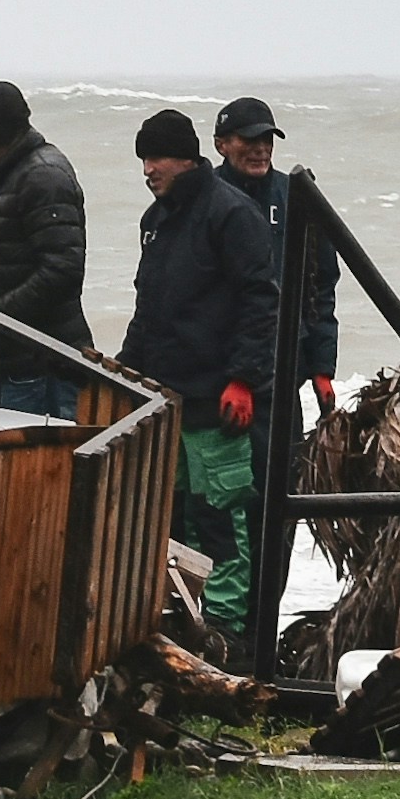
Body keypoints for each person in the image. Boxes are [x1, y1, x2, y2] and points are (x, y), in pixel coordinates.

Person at [115, 106, 283, 627]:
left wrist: (242, 379)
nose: (148, 169)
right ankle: (180, 626)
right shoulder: (156, 220)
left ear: (187, 159)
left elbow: (262, 300)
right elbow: (148, 308)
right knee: (171, 527)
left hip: (218, 405)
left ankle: (225, 638)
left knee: (221, 527)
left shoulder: (232, 215)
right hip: (168, 402)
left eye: (157, 158)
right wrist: (125, 374)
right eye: (143, 159)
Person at [0, 79, 89, 414]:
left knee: (38, 464)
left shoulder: (43, 177)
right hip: (18, 363)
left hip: (40, 367)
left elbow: (63, 269)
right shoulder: (12, 174)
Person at [209, 96, 339, 408]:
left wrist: (322, 368)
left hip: (283, 367)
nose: (261, 148)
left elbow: (322, 282)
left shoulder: (298, 196)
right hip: (218, 370)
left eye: (267, 139)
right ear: (220, 145)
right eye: (249, 139)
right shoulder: (204, 199)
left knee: (287, 456)